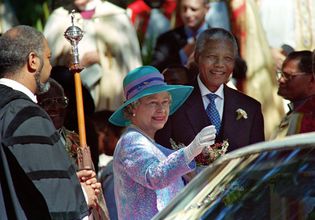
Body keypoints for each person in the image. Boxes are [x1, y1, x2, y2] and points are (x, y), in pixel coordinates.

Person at [0, 25, 95, 219]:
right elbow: (52, 202)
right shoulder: (26, 116)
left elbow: (27, 180)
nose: (50, 67)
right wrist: (84, 195)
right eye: (49, 58)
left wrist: (67, 183)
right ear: (33, 61)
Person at [108, 65, 217, 219]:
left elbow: (188, 173)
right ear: (133, 108)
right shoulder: (130, 142)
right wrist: (191, 150)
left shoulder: (152, 145)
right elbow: (154, 176)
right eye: (153, 102)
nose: (161, 109)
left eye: (165, 102)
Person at [156, 28, 265, 176]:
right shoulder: (174, 104)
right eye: (212, 56)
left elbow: (256, 168)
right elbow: (162, 163)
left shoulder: (250, 109)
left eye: (228, 58)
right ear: (197, 57)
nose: (220, 64)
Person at [44, 0, 142, 112]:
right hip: (72, 91)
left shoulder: (117, 15)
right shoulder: (59, 17)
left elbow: (130, 61)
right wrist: (73, 60)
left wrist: (103, 57)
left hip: (110, 89)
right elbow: (48, 59)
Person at [37, 77, 109, 219]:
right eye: (48, 102)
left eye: (61, 101)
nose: (56, 107)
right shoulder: (35, 141)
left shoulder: (76, 139)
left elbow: (92, 179)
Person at [151, 0, 209, 71]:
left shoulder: (220, 38)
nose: (188, 14)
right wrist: (182, 55)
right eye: (184, 9)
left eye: (193, 9)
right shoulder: (166, 39)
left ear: (206, 9)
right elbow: (155, 70)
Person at [271, 50, 315, 139]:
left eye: (288, 76)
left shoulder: (309, 117)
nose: (281, 80)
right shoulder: (295, 113)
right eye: (281, 74)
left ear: (312, 78)